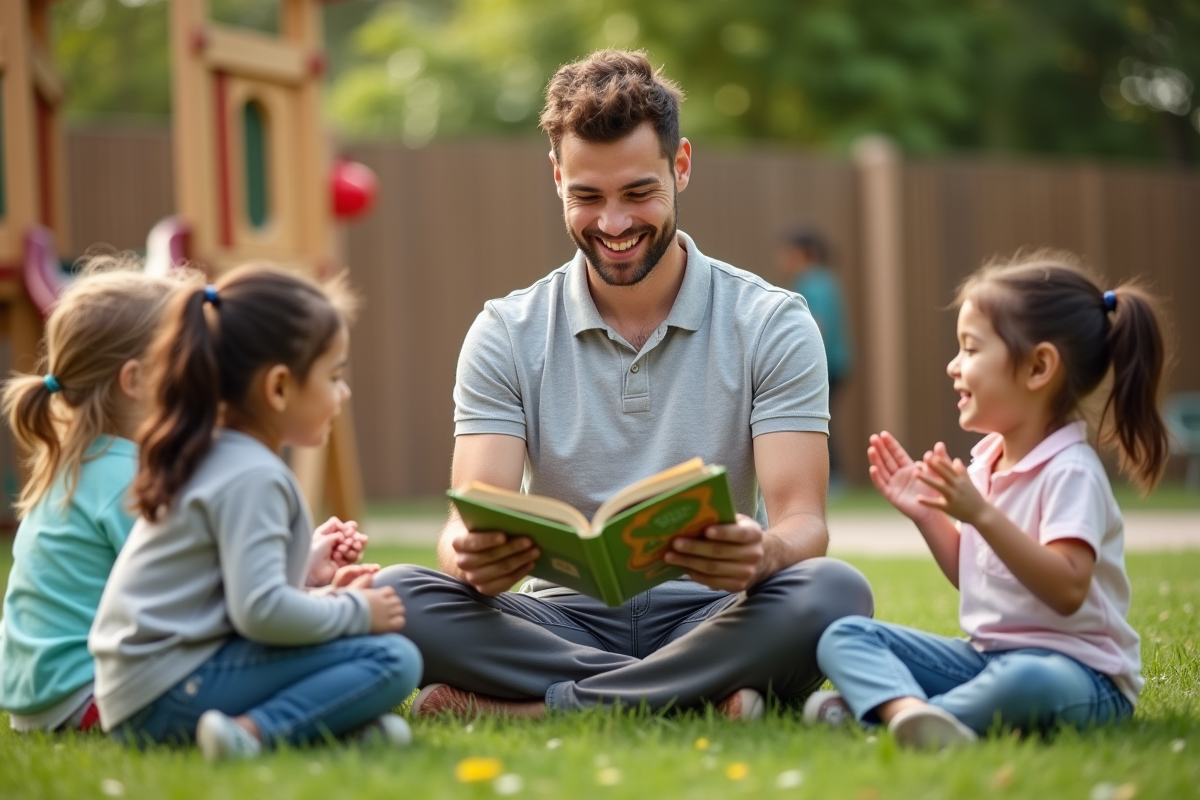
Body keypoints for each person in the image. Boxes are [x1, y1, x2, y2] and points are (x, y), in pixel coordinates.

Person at [375, 50, 872, 720]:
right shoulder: (505, 330)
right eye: (587, 197)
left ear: (682, 166)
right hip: (556, 624)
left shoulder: (772, 321)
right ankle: (696, 695)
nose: (613, 225)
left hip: (718, 613)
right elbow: (470, 516)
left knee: (832, 593)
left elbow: (802, 519)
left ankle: (538, 707)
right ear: (557, 177)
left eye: (639, 193)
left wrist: (767, 552)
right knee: (396, 594)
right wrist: (469, 561)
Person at [805, 251, 1167, 748]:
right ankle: (910, 714)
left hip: (1081, 677)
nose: (954, 366)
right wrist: (929, 517)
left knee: (1028, 682)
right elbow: (975, 576)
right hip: (987, 660)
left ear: (1039, 366)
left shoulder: (1071, 472)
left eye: (971, 350)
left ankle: (893, 716)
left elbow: (1066, 589)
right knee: (844, 636)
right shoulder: (986, 464)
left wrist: (980, 513)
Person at [89, 266, 422, 760]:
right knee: (394, 658)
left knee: (368, 657)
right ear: (280, 388)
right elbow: (261, 613)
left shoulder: (215, 453)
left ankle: (335, 733)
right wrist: (352, 611)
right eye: (334, 377)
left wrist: (310, 576)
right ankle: (252, 733)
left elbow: (226, 597)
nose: (343, 394)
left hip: (143, 688)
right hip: (169, 692)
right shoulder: (254, 475)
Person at [0, 262, 183, 732]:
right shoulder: (126, 478)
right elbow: (184, 590)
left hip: (39, 699)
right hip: (88, 695)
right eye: (185, 362)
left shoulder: (78, 465)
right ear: (136, 381)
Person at [777, 228, 852, 488]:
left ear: (804, 253)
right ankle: (835, 479)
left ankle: (833, 480)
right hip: (838, 362)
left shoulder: (811, 282)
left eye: (788, 252)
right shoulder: (827, 280)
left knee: (816, 421)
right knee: (823, 419)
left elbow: (816, 325)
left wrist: (799, 360)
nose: (783, 259)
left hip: (824, 364)